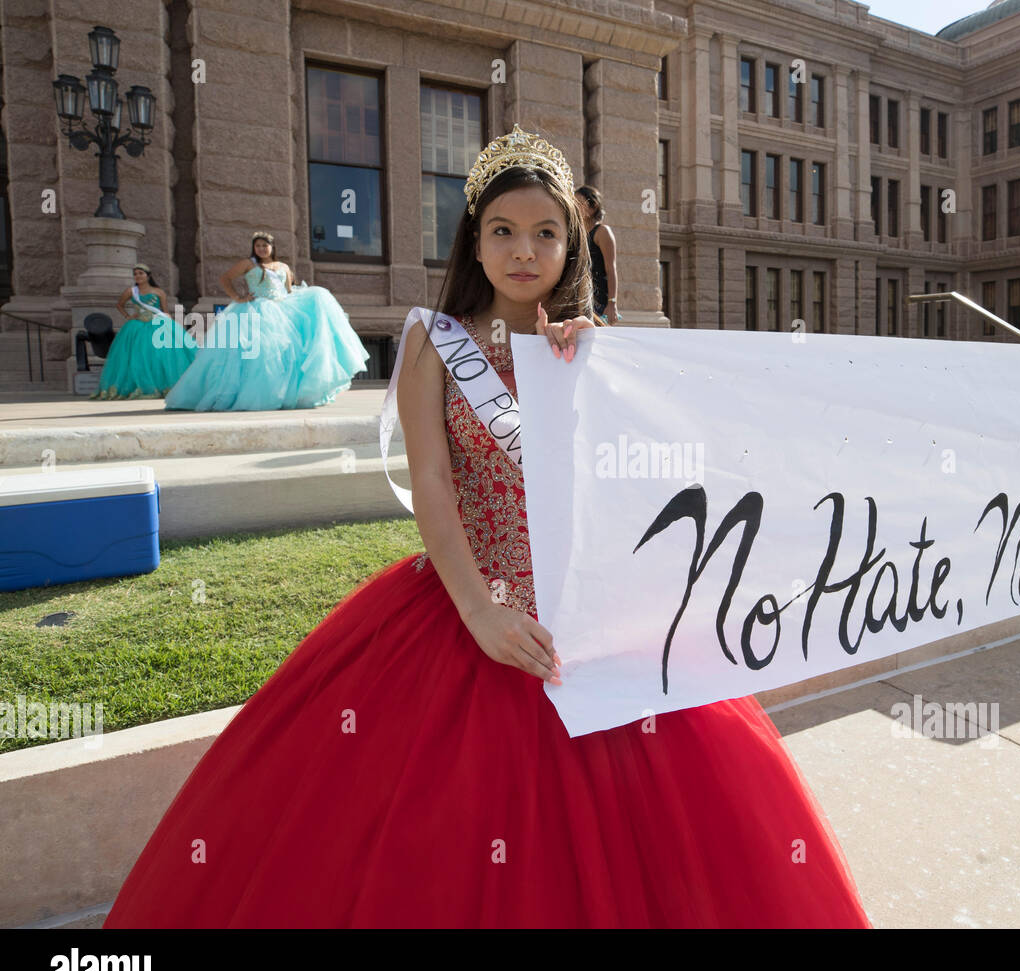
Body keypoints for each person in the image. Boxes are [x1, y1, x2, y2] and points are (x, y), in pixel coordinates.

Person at [103, 125, 870, 928]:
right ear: (474, 241)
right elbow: (431, 481)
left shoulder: (589, 349)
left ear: (572, 245)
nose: (524, 251)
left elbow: (631, 484)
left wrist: (594, 370)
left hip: (584, 614)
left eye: (546, 233)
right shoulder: (436, 345)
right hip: (466, 603)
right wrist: (478, 611)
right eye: (503, 231)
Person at [164, 232, 369, 411]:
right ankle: (251, 394)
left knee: (286, 351)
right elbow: (226, 278)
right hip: (255, 309)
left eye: (265, 245)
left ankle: (285, 394)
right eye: (258, 245)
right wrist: (237, 297)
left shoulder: (283, 266)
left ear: (272, 247)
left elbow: (288, 292)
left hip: (281, 311)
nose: (261, 248)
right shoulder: (248, 264)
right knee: (254, 355)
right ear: (254, 248)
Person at [90, 264, 196, 399]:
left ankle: (164, 385)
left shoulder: (158, 292)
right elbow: (119, 305)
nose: (138, 276)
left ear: (148, 276)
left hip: (157, 324)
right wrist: (128, 316)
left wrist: (169, 322)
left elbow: (164, 310)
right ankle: (139, 386)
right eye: (135, 274)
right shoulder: (131, 291)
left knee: (161, 355)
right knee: (137, 356)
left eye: (141, 273)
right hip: (137, 327)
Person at [577, 185, 619, 323]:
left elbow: (611, 269)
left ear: (593, 206)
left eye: (579, 203)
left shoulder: (602, 232)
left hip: (599, 302)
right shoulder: (578, 234)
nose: (574, 207)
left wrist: (612, 303)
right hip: (580, 298)